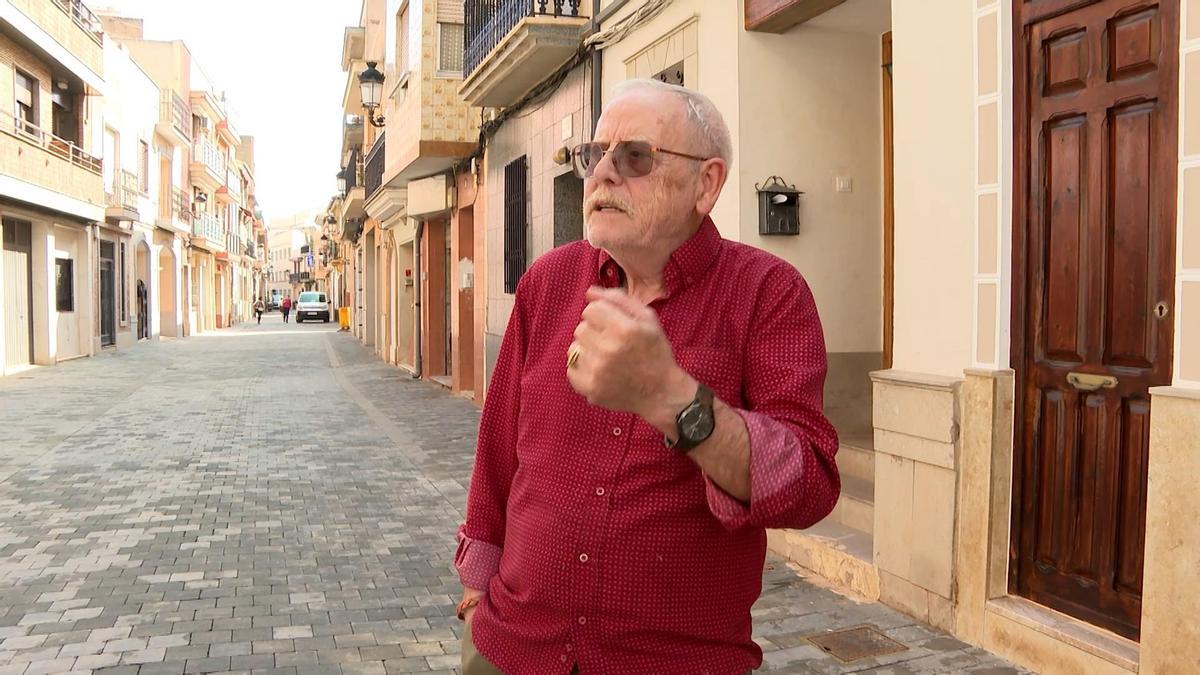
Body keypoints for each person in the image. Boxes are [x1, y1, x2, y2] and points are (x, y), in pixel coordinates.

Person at [454, 79, 841, 674]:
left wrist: (671, 398)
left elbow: (808, 485)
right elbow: (500, 447)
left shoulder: (767, 293)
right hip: (513, 646)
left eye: (633, 156)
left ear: (706, 185)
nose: (601, 173)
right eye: (593, 154)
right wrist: (480, 583)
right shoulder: (549, 283)